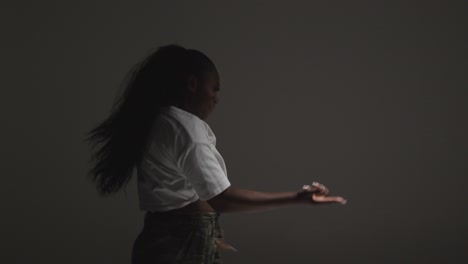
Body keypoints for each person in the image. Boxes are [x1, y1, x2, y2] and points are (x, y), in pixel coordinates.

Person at [85, 44, 347, 264]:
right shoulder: (186, 129)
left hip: (161, 239)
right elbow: (221, 198)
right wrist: (298, 198)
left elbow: (179, 195)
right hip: (180, 243)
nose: (216, 99)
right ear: (192, 84)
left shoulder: (158, 121)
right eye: (215, 88)